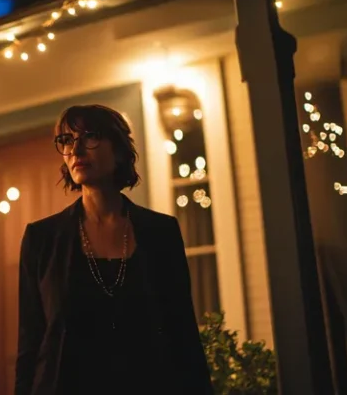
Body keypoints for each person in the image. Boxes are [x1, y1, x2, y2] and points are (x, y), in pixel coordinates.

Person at [14, 104, 213, 395]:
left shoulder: (160, 232)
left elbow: (182, 331)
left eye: (90, 136)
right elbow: (30, 341)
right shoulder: (42, 238)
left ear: (119, 150)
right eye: (67, 140)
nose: (77, 149)